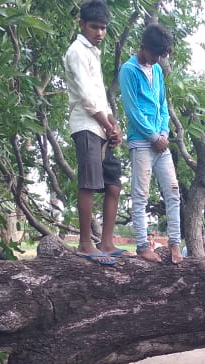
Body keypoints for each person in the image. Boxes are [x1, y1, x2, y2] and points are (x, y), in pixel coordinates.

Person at [64, 1, 128, 266]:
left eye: (103, 28)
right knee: (89, 183)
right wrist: (106, 123)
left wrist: (114, 124)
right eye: (94, 27)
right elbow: (88, 98)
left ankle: (107, 242)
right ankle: (84, 243)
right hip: (86, 126)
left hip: (102, 126)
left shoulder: (94, 53)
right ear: (82, 25)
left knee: (113, 184)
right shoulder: (76, 51)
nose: (99, 32)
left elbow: (101, 97)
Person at [119, 24, 183, 265]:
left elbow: (163, 104)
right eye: (154, 53)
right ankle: (142, 246)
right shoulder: (128, 70)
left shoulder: (156, 70)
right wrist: (153, 137)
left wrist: (164, 132)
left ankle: (175, 243)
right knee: (141, 194)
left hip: (161, 140)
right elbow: (132, 110)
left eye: (160, 55)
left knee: (173, 191)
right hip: (142, 142)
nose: (156, 59)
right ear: (143, 47)